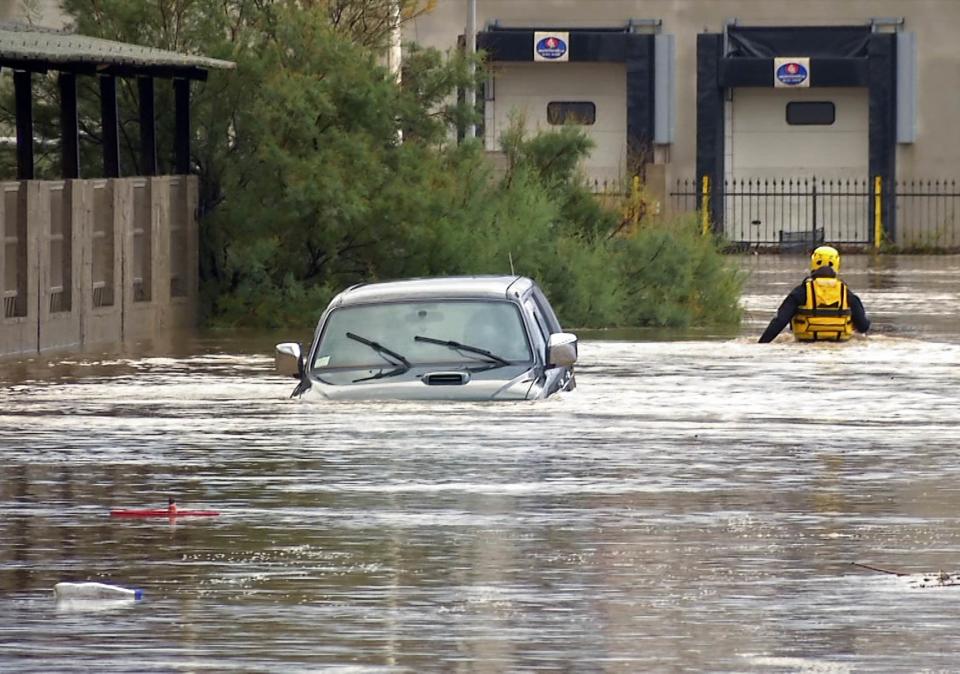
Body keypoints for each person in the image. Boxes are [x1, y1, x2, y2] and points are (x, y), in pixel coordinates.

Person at [758, 245, 870, 343]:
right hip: (839, 343)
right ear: (837, 264)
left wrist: (761, 344)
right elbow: (863, 326)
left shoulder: (801, 291)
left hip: (806, 343)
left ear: (813, 263)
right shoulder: (846, 292)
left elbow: (780, 321)